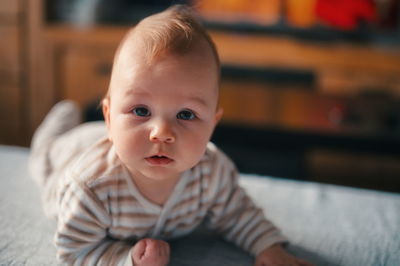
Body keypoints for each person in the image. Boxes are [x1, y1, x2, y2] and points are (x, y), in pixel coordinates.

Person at [29, 5, 312, 266]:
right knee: (46, 155)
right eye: (141, 110)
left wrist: (269, 248)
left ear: (212, 125)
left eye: (186, 115)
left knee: (87, 135)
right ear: (109, 116)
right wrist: (127, 259)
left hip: (111, 138)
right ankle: (56, 126)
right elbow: (74, 252)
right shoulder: (89, 189)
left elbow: (238, 214)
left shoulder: (211, 173)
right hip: (73, 154)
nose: (162, 133)